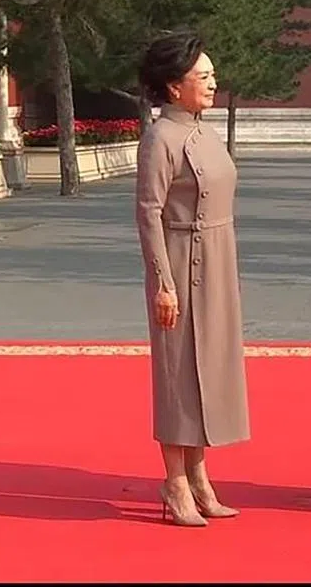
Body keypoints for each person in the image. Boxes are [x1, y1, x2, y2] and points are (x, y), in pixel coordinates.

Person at [135, 30, 249, 527]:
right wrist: (164, 281)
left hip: (217, 259)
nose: (212, 82)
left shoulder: (204, 129)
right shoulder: (161, 137)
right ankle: (175, 482)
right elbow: (148, 212)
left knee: (211, 369)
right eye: (202, 76)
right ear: (174, 86)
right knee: (178, 372)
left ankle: (200, 475)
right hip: (180, 263)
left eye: (212, 74)